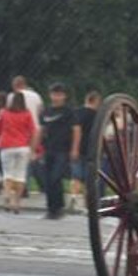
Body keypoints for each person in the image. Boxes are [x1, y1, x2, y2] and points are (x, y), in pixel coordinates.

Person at [38, 82, 81, 220]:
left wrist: (74, 149)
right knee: (47, 179)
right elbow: (41, 130)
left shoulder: (69, 112)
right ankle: (51, 208)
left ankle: (59, 207)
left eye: (59, 94)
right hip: (49, 148)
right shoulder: (46, 111)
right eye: (54, 94)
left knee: (56, 178)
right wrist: (35, 148)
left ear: (64, 96)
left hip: (63, 149)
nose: (56, 97)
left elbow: (76, 130)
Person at [0, 91, 36, 214]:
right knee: (20, 175)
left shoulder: (3, 112)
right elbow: (32, 130)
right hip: (22, 146)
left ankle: (7, 197)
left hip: (7, 145)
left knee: (8, 174)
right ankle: (17, 203)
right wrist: (32, 148)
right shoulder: (27, 114)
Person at [71, 90, 101, 206]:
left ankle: (74, 197)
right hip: (91, 148)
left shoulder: (77, 112)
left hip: (77, 147)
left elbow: (75, 130)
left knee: (76, 175)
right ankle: (87, 201)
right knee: (89, 177)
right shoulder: (97, 115)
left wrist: (74, 148)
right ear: (96, 101)